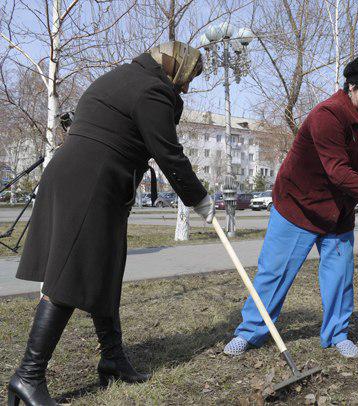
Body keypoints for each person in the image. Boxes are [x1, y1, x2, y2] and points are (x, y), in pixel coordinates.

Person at [7, 41, 215, 406]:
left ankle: (113, 358)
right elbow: (167, 152)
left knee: (105, 270)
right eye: (186, 79)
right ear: (174, 68)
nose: (185, 88)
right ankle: (28, 376)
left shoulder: (120, 76)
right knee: (68, 276)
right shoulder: (152, 90)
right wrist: (198, 197)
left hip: (86, 181)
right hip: (90, 185)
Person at [223, 53, 358, 358]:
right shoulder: (327, 115)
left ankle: (336, 333)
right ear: (352, 85)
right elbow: (339, 172)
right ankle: (250, 332)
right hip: (298, 206)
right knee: (274, 274)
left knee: (340, 277)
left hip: (338, 212)